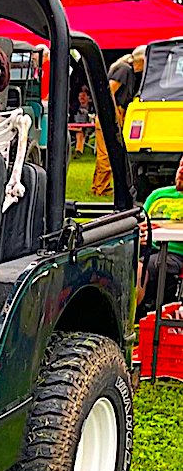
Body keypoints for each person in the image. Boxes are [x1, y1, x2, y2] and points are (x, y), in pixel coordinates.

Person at [92, 45, 146, 196]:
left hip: (114, 112)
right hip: (111, 113)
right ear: (141, 60)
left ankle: (99, 186)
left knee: (106, 152)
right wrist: (114, 115)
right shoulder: (125, 70)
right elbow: (110, 91)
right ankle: (101, 188)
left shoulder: (127, 70)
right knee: (107, 154)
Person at [137, 154, 183, 312]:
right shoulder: (158, 195)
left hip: (174, 252)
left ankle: (134, 315)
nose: (181, 171)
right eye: (181, 166)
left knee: (141, 267)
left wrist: (162, 229)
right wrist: (140, 233)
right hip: (146, 247)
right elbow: (140, 221)